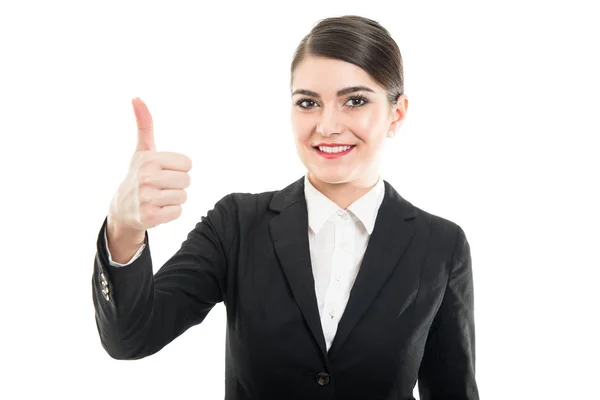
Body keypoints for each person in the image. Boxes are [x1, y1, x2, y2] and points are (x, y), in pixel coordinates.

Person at [92, 15, 479, 400]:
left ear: (397, 113)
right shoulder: (237, 225)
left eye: (355, 101)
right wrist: (124, 227)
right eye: (308, 103)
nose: (327, 125)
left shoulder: (440, 245)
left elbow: (452, 390)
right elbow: (130, 337)